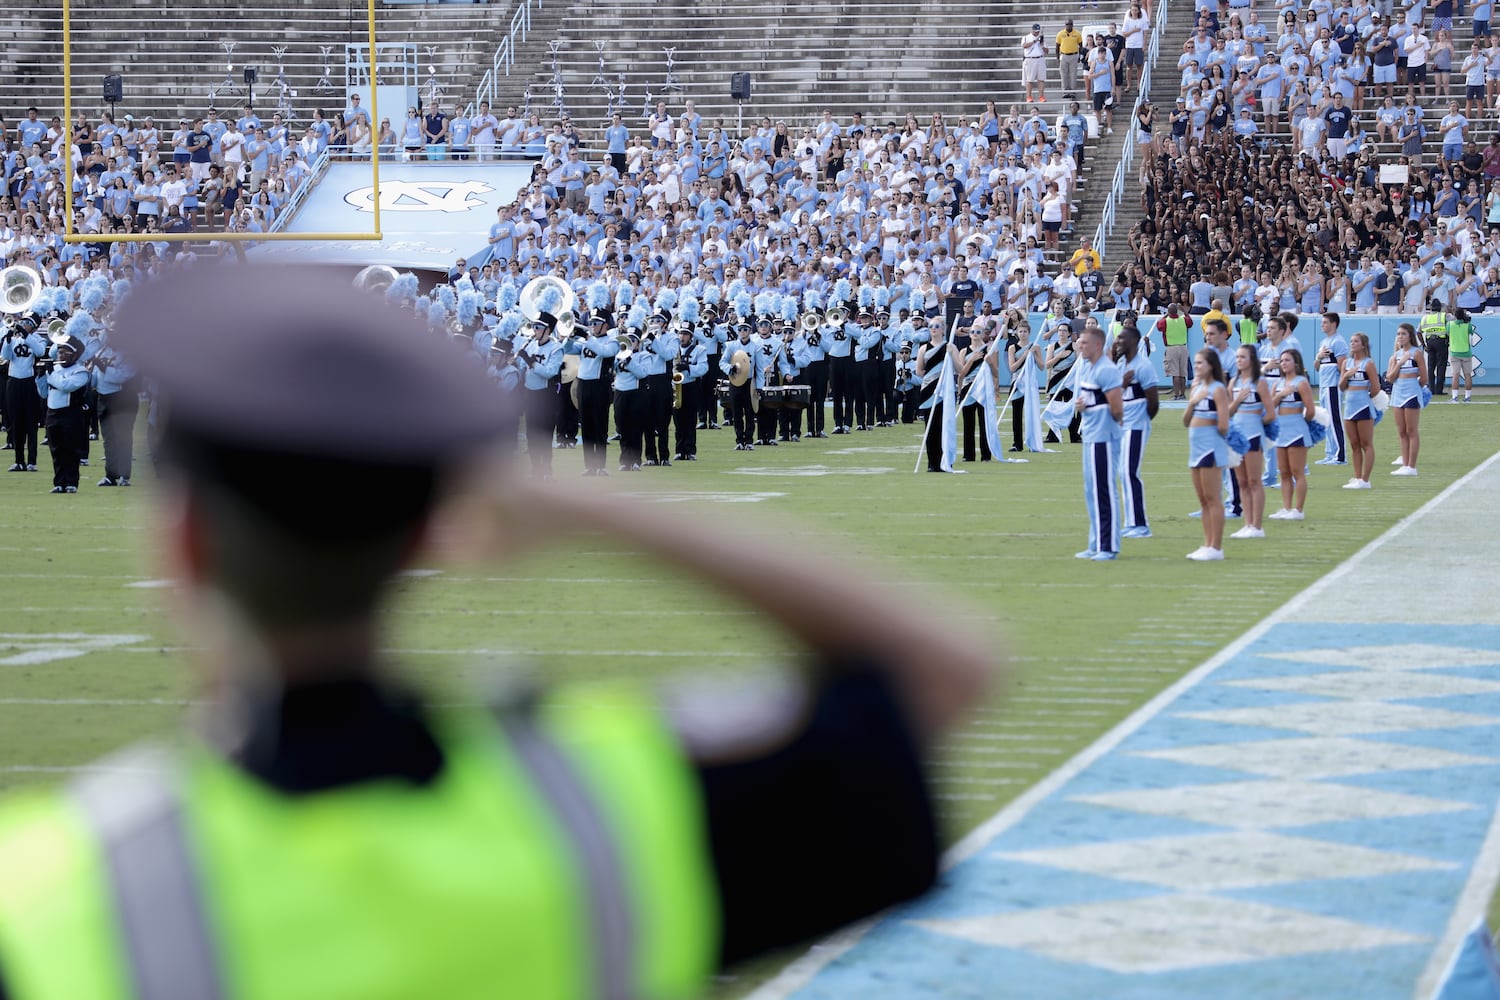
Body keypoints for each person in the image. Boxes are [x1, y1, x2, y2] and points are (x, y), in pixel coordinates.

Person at [0, 264, 998, 1000]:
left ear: (183, 544)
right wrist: (588, 497)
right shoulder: (603, 807)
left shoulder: (51, 887)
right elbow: (944, 669)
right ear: (431, 532)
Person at [1072, 325, 1123, 561]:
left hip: (1104, 437)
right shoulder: (1089, 369)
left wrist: (1099, 415)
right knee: (1091, 490)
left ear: (1097, 345)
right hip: (1091, 436)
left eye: (1084, 343)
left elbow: (1117, 408)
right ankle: (1095, 542)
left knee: (1103, 490)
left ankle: (1108, 545)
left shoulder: (1106, 370)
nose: (1080, 346)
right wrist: (1084, 406)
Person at [1184, 347, 1232, 560]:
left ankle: (1216, 547)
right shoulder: (1197, 388)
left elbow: (1223, 424)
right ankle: (1207, 544)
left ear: (1211, 365)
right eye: (1195, 363)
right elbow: (1185, 421)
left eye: (1200, 363)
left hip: (1211, 447)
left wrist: (1208, 424)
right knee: (1202, 500)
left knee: (1213, 498)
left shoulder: (1218, 389)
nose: (1196, 367)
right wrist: (1193, 402)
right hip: (1196, 449)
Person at [1112, 322, 1158, 539]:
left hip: (1136, 426)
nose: (1118, 342)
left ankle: (1140, 524)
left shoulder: (1143, 366)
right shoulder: (1121, 363)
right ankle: (1132, 522)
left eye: (1122, 338)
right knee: (1124, 473)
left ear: (1134, 342)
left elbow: (1153, 403)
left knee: (1129, 472)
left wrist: (1140, 420)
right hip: (1122, 426)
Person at [1228, 344, 1276, 537]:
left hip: (1253, 437)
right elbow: (1228, 412)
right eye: (1237, 357)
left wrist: (1258, 426)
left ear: (1252, 360)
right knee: (1242, 482)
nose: (1239, 360)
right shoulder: (1233, 382)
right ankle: (1247, 524)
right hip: (1237, 437)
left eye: (1243, 357)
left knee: (1254, 480)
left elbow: (1271, 413)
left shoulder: (1260, 383)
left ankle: (1257, 525)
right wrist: (1238, 399)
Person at [37, 335, 91, 494]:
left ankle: (71, 482)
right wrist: (40, 376)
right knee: (56, 449)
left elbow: (66, 386)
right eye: (60, 352)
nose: (61, 355)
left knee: (71, 449)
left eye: (65, 352)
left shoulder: (81, 371)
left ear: (74, 355)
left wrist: (51, 373)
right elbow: (43, 393)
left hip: (71, 413)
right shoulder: (55, 369)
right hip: (52, 413)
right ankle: (59, 482)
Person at [1269, 348, 1317, 519]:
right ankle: (1286, 508)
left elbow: (1310, 410)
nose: (1283, 363)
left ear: (1296, 363)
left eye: (1287, 360)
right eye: (1282, 361)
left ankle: (1298, 510)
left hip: (1297, 430)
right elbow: (1270, 406)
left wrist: (1303, 424)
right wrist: (1281, 394)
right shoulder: (1278, 384)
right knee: (1284, 472)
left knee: (1297, 471)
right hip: (1281, 430)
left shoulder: (1301, 383)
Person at [1338, 331, 1380, 489]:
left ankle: (1365, 479)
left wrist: (1365, 398)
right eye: (1351, 341)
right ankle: (1357, 478)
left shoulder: (1368, 363)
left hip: (1363, 406)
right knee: (1354, 444)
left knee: (1366, 444)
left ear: (1363, 345)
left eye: (1355, 341)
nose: (1352, 344)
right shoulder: (1346, 363)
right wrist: (1346, 375)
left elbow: (1376, 388)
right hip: (1349, 407)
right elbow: (1341, 387)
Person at [1386, 321, 1429, 475]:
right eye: (1398, 334)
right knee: (1401, 431)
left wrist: (1415, 386)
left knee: (1412, 431)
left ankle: (1412, 466)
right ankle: (1405, 464)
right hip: (1397, 394)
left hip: (1411, 393)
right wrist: (1400, 364)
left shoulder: (1416, 353)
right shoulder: (1395, 356)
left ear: (1410, 336)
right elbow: (1389, 378)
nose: (1400, 337)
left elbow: (1424, 377)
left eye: (1403, 334)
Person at [1314, 311, 1349, 465]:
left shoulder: (1338, 342)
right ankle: (1330, 453)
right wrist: (1318, 357)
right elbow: (1317, 367)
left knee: (1334, 420)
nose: (1322, 325)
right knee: (1325, 420)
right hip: (1323, 385)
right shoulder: (1323, 343)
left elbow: (1342, 365)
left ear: (1333, 324)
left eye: (1325, 323)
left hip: (1332, 386)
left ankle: (1340, 455)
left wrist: (1342, 384)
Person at [1154, 302, 1193, 399]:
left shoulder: (1165, 321)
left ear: (1168, 311)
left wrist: (1166, 314)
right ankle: (1182, 394)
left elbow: (1158, 325)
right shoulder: (1183, 319)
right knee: (1183, 373)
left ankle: (1176, 395)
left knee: (1175, 373)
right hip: (1183, 347)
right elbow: (1190, 322)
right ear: (1177, 311)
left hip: (1171, 348)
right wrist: (1184, 311)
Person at [1448, 305, 1476, 401]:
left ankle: (1454, 396)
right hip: (1466, 352)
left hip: (1455, 352)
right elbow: (1471, 335)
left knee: (1455, 374)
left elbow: (1448, 333)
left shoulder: (1450, 325)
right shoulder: (1468, 325)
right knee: (1467, 374)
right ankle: (1467, 396)